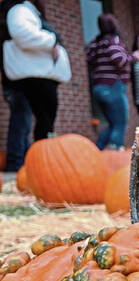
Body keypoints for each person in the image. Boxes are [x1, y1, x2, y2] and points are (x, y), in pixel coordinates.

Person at [3, 0, 65, 141]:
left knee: (38, 122)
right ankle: (19, 162)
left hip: (41, 75)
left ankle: (35, 157)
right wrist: (52, 40)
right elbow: (22, 34)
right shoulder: (20, 11)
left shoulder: (30, 13)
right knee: (27, 122)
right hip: (31, 76)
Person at [86, 13, 131, 150]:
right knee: (120, 123)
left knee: (112, 123)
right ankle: (116, 152)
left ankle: (96, 151)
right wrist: (131, 57)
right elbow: (118, 59)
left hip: (98, 87)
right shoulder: (113, 40)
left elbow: (89, 59)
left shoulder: (95, 42)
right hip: (112, 86)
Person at [0, 0, 31, 171]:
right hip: (18, 82)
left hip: (10, 81)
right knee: (21, 123)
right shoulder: (13, 28)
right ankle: (16, 163)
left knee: (22, 122)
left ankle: (22, 161)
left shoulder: (5, 28)